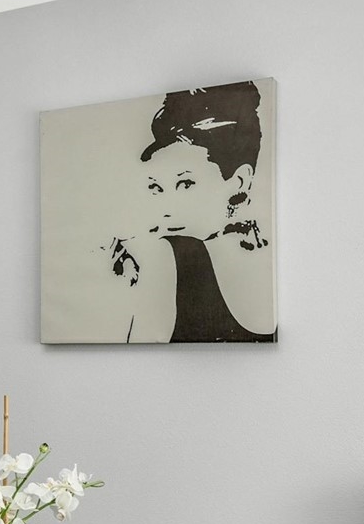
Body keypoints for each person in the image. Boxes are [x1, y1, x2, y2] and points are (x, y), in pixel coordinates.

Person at [107, 82, 276, 342]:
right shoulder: (266, 260)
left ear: (239, 181)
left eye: (185, 184)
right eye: (156, 187)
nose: (165, 209)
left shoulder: (162, 256)